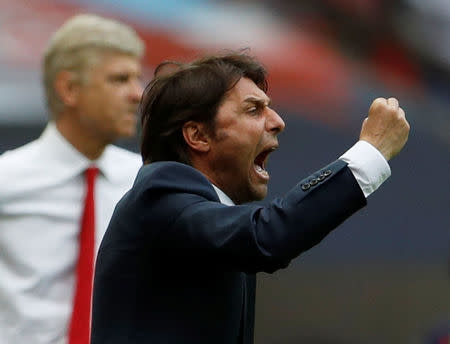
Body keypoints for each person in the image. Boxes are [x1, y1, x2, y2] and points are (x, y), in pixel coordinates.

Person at [91, 53, 410, 344]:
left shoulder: (205, 219)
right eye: (253, 109)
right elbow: (269, 235)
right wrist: (371, 152)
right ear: (198, 136)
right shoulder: (161, 193)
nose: (277, 122)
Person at [0, 14, 144, 344]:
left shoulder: (145, 182)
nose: (137, 94)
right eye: (119, 79)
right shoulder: (6, 179)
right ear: (69, 88)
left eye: (137, 79)